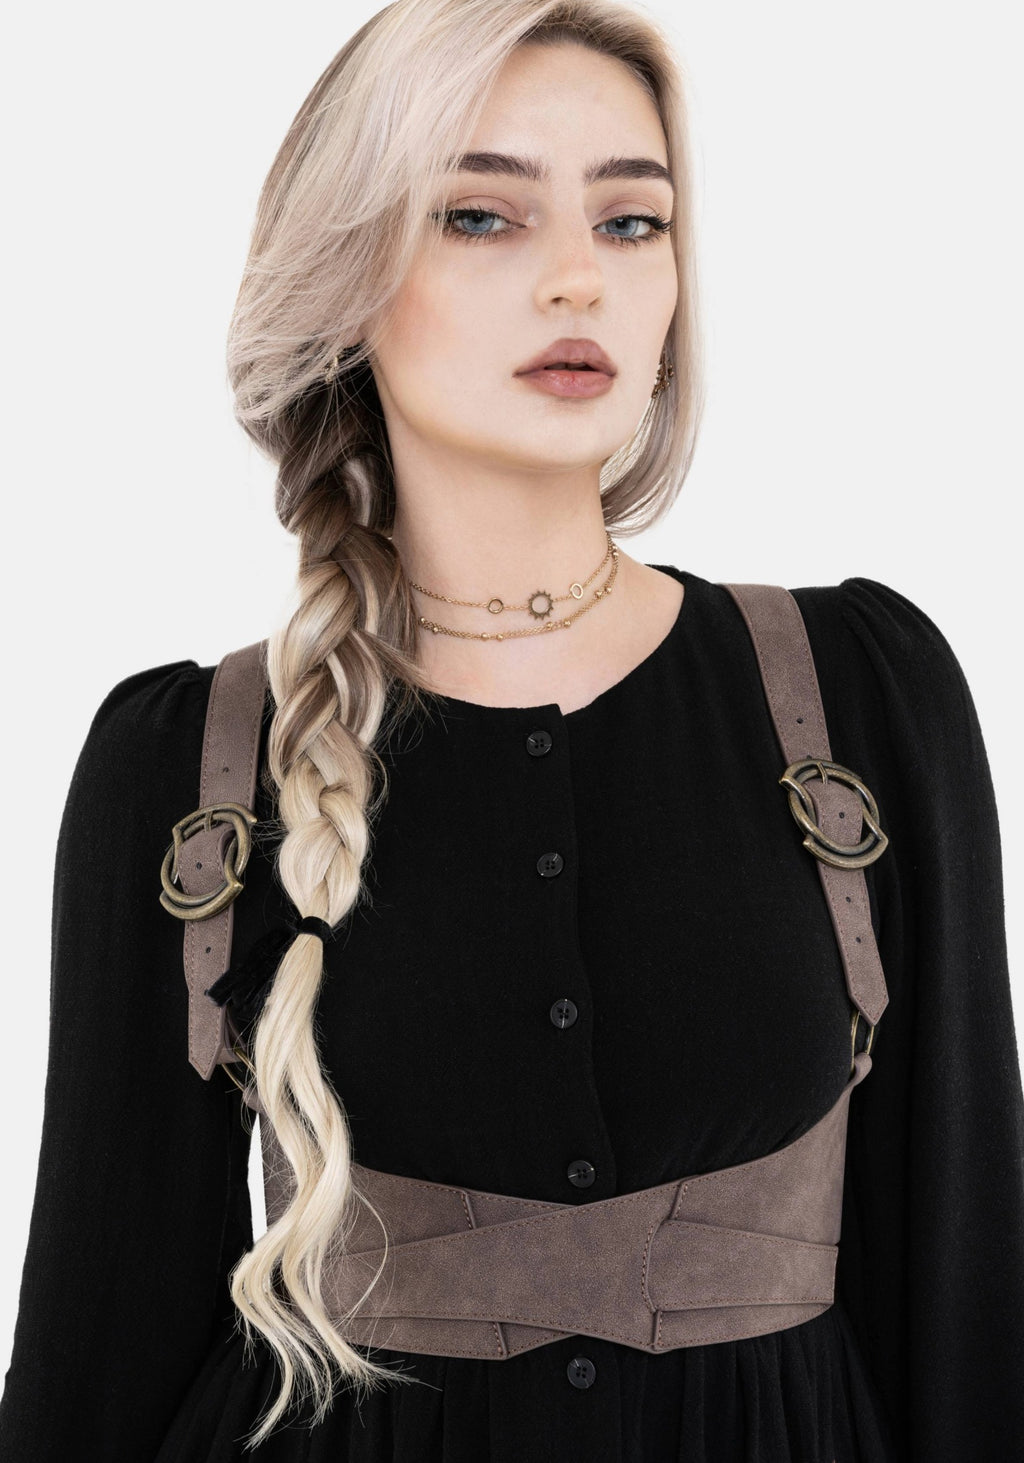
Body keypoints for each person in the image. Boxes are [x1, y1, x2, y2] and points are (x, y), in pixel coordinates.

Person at [2, 0, 1023, 1458]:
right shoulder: (184, 767)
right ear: (345, 276)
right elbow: (97, 1349)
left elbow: (967, 1294)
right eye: (481, 215)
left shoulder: (860, 695)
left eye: (631, 221)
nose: (577, 278)